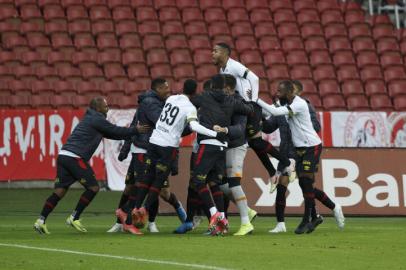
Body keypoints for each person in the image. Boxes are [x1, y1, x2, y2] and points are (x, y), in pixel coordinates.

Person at [130, 79, 228, 233]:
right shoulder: (190, 108)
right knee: (158, 180)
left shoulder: (171, 98)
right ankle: (144, 210)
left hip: (154, 140)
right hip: (168, 146)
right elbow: (194, 126)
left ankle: (137, 208)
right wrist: (215, 133)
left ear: (182, 89)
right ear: (195, 93)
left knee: (147, 177)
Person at [34, 97, 139, 234]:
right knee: (93, 187)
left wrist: (129, 135)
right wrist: (135, 130)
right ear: (97, 108)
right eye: (105, 106)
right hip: (74, 157)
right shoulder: (97, 119)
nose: (107, 108)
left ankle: (40, 221)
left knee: (60, 191)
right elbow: (115, 131)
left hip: (64, 156)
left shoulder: (91, 119)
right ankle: (74, 217)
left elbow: (112, 134)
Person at [255, 81, 345, 234]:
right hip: (289, 150)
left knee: (305, 184)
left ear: (293, 92)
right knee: (287, 185)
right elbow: (270, 127)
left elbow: (315, 126)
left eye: (280, 91)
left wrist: (255, 100)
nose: (277, 94)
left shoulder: (302, 105)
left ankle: (325, 211)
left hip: (308, 146)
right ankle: (283, 223)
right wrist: (260, 119)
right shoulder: (281, 106)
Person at [212, 42, 293, 186]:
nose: (212, 53)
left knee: (255, 142)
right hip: (241, 107)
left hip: (250, 107)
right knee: (254, 143)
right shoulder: (222, 70)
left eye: (216, 51)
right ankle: (273, 172)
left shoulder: (234, 66)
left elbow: (254, 78)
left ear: (225, 53)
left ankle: (287, 163)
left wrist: (254, 99)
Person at [114, 78, 186, 235]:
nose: (169, 91)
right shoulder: (151, 103)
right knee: (138, 187)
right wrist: (126, 149)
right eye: (166, 88)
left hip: (154, 150)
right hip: (144, 150)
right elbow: (162, 124)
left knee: (162, 191)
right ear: (158, 89)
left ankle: (150, 220)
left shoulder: (159, 103)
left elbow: (171, 135)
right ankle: (125, 220)